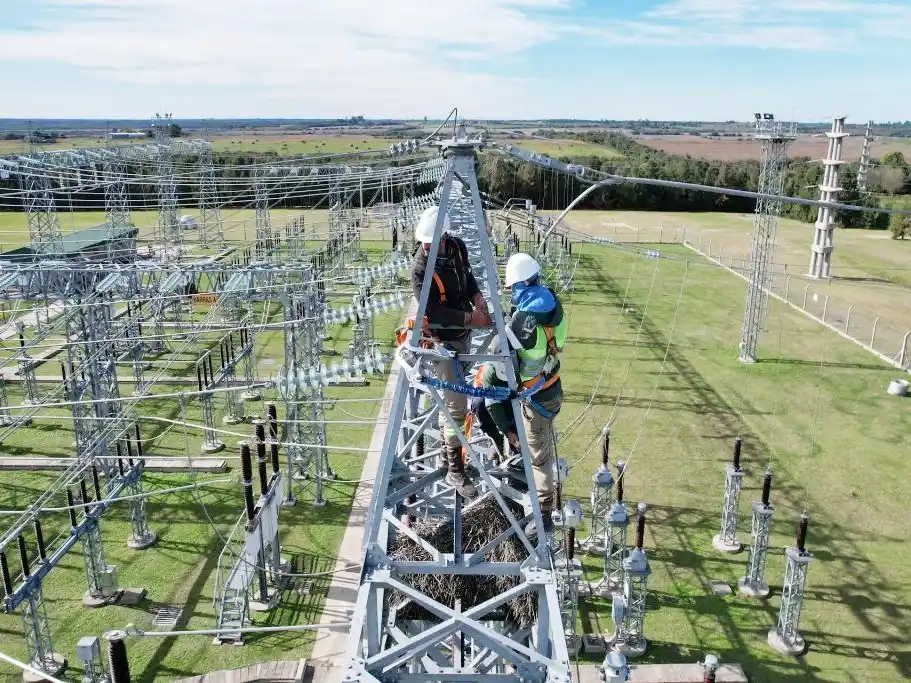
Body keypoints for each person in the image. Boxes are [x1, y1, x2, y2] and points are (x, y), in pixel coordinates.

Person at [410, 205, 491, 498]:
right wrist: (473, 318)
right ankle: (456, 471)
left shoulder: (456, 247)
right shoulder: (420, 268)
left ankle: (447, 458)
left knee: (452, 401)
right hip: (442, 344)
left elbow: (466, 279)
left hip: (462, 335)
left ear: (444, 234)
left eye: (432, 241)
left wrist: (477, 297)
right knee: (455, 406)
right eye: (424, 242)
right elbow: (432, 311)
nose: (427, 246)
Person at [503, 252, 567, 536]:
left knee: (540, 458)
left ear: (520, 285)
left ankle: (543, 514)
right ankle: (523, 464)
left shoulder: (523, 319)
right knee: (541, 444)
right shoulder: (554, 306)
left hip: (535, 397)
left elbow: (511, 361)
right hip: (552, 386)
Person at [469, 337, 519, 462]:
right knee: (481, 405)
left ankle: (515, 442)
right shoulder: (490, 372)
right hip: (487, 396)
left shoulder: (519, 360)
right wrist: (506, 431)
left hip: (510, 390)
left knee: (516, 408)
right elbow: (492, 405)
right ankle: (497, 439)